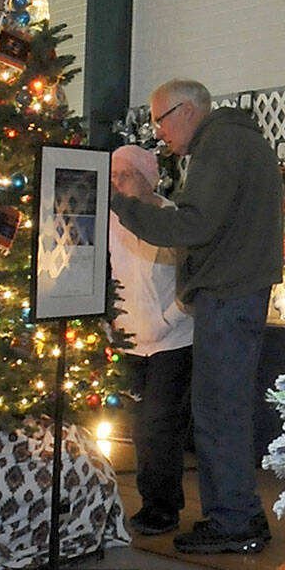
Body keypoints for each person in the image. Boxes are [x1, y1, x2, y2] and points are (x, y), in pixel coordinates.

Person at [110, 80, 283, 555]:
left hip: (228, 295)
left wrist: (121, 205)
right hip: (236, 292)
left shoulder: (220, 146)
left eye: (160, 120)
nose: (158, 133)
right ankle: (238, 514)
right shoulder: (239, 141)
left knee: (218, 412)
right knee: (220, 410)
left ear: (186, 111)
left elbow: (194, 225)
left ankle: (234, 521)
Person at [108, 144, 193, 536]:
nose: (116, 184)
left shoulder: (172, 219)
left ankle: (162, 506)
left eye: (124, 175)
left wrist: (167, 319)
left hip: (172, 339)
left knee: (160, 423)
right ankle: (147, 498)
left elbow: (190, 280)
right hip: (126, 340)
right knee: (137, 424)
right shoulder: (109, 222)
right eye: (112, 177)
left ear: (147, 178)